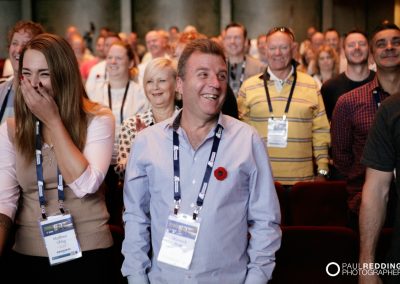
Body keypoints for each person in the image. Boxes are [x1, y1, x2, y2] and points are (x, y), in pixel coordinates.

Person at [121, 38, 281, 283]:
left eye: (221, 75)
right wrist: (136, 278)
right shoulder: (146, 142)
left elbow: (265, 222)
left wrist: (256, 279)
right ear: (180, 84)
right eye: (203, 74)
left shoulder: (247, 141)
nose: (215, 84)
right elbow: (135, 218)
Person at [0, 33, 116, 282]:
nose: (33, 84)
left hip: (89, 251)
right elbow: (4, 202)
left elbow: (85, 185)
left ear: (63, 75)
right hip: (28, 253)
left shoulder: (98, 118)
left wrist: (52, 121)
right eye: (27, 74)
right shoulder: (10, 129)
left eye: (44, 73)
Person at [238, 27, 330, 186]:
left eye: (284, 47)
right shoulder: (248, 87)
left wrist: (322, 170)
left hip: (302, 183)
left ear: (293, 49)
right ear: (265, 50)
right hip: (260, 182)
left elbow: (320, 131)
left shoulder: (311, 85)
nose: (277, 53)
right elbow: (241, 136)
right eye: (272, 48)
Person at [332, 22, 400, 230]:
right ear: (371, 55)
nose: (389, 47)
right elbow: (342, 158)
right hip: (366, 205)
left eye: (396, 42)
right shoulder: (349, 102)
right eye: (381, 44)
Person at [88, 41, 148, 179]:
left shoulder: (141, 94)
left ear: (131, 63)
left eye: (119, 58)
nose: (113, 62)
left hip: (132, 164)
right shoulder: (93, 93)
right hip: (98, 165)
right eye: (109, 57)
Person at [115, 57, 179, 180]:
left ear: (176, 84)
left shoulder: (188, 123)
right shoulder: (131, 125)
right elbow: (122, 175)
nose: (155, 87)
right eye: (149, 81)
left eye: (162, 80)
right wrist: (142, 147)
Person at [321, 29, 375, 121]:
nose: (357, 47)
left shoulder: (380, 81)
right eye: (351, 45)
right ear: (343, 50)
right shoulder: (329, 87)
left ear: (369, 48)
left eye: (362, 44)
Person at [0, 20, 44, 124]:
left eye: (26, 44)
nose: (19, 49)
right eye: (15, 43)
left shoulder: (43, 92)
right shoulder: (1, 90)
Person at [223, 22, 266, 96]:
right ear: (224, 41)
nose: (232, 41)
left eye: (237, 37)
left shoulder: (259, 68)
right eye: (228, 37)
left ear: (245, 41)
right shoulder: (217, 66)